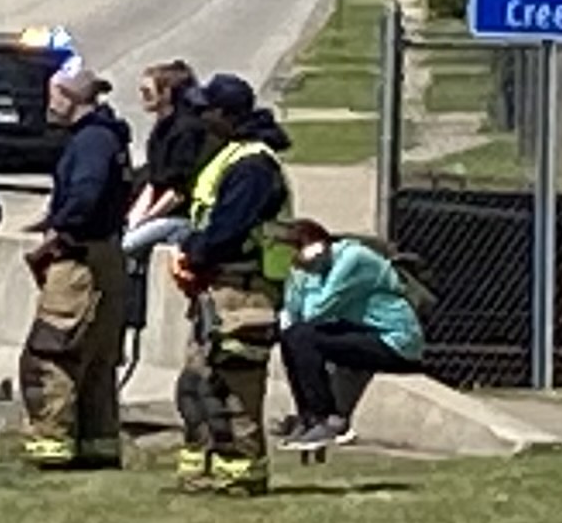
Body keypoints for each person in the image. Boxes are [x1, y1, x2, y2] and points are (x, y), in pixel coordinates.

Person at [169, 73, 297, 495]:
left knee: (235, 388)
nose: (201, 117)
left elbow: (229, 226)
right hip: (216, 288)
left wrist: (196, 252)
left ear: (226, 114)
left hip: (243, 290)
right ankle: (204, 470)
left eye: (207, 110)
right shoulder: (231, 155)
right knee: (197, 384)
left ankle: (242, 474)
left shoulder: (254, 165)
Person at [19, 60, 132, 469]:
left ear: (68, 97)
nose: (48, 103)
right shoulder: (108, 137)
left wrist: (57, 234)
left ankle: (52, 445)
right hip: (105, 255)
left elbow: (86, 195)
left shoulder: (89, 143)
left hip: (79, 261)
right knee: (97, 360)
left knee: (53, 353)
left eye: (53, 94)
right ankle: (97, 447)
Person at [273, 218, 427, 450]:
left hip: (395, 341)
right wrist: (296, 277)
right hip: (363, 333)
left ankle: (328, 419)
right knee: (292, 337)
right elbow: (295, 314)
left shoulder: (353, 259)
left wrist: (301, 276)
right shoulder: (315, 268)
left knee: (305, 337)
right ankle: (309, 418)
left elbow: (317, 310)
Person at [123, 60, 210, 378]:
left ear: (168, 92)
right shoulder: (162, 128)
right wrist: (135, 217)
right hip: (159, 210)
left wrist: (144, 222)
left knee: (126, 246)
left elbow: (176, 190)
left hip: (180, 219)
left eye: (148, 90)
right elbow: (154, 182)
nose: (142, 96)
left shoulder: (187, 130)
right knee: (126, 236)